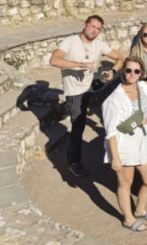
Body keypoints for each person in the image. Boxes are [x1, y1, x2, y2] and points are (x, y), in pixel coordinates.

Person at [50, 15, 124, 177]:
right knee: (78, 127)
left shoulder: (99, 44)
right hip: (74, 93)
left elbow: (120, 58)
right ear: (84, 25)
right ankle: (73, 162)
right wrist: (80, 65)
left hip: (90, 88)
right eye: (92, 26)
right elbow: (54, 60)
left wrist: (112, 71)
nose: (95, 31)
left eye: (98, 28)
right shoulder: (70, 42)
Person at [102, 57, 147, 232]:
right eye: (128, 70)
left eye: (136, 71)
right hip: (124, 147)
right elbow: (111, 131)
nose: (132, 74)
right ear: (123, 72)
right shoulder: (114, 99)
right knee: (125, 184)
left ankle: (140, 209)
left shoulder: (142, 88)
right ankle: (128, 218)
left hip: (143, 144)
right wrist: (115, 157)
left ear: (142, 73)